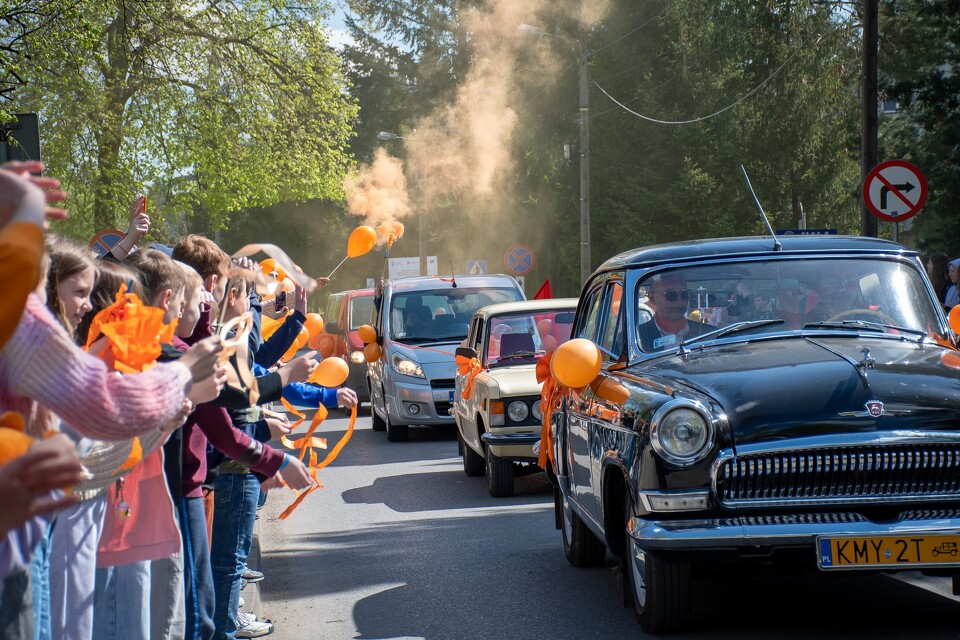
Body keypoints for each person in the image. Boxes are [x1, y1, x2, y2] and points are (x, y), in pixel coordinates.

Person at [638, 272, 715, 352]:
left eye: (684, 294)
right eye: (671, 295)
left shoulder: (709, 334)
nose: (680, 301)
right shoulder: (637, 337)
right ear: (652, 298)